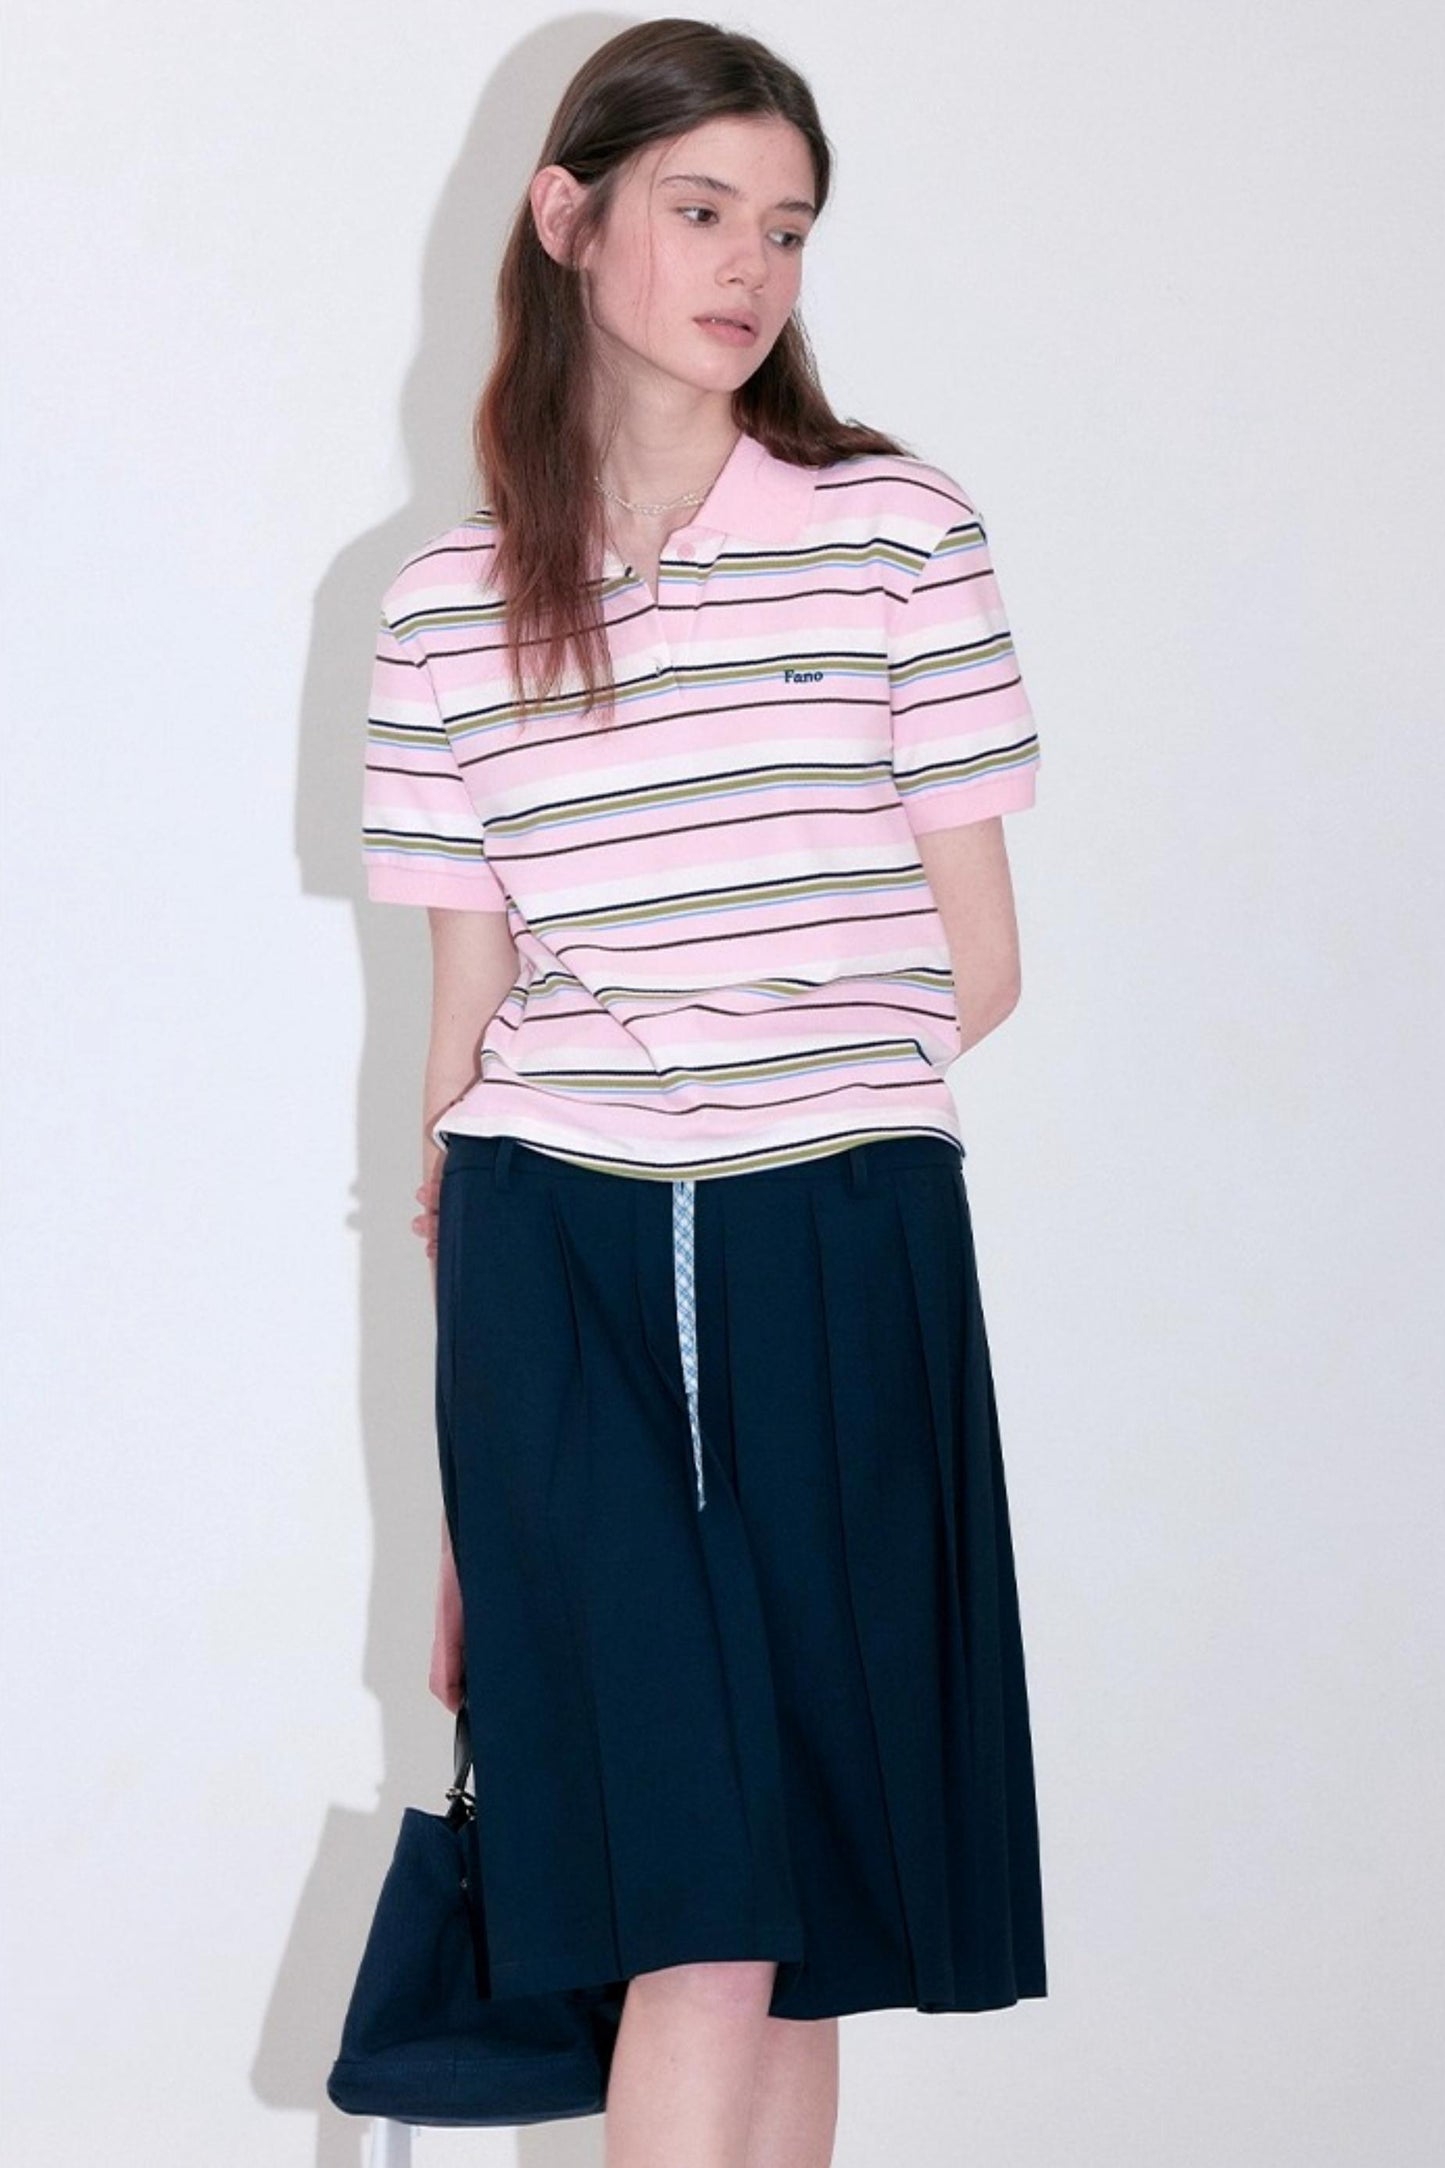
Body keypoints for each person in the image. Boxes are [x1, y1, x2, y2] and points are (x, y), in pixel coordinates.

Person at [360, 19, 1046, 2167]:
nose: (752, 264)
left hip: (832, 1228)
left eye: (788, 227)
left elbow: (981, 959)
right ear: (567, 219)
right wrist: (472, 1493)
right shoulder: (444, 609)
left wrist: (734, 1084)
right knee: (691, 1900)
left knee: (797, 1896)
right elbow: (458, 1050)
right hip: (551, 1252)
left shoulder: (895, 532)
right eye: (700, 208)